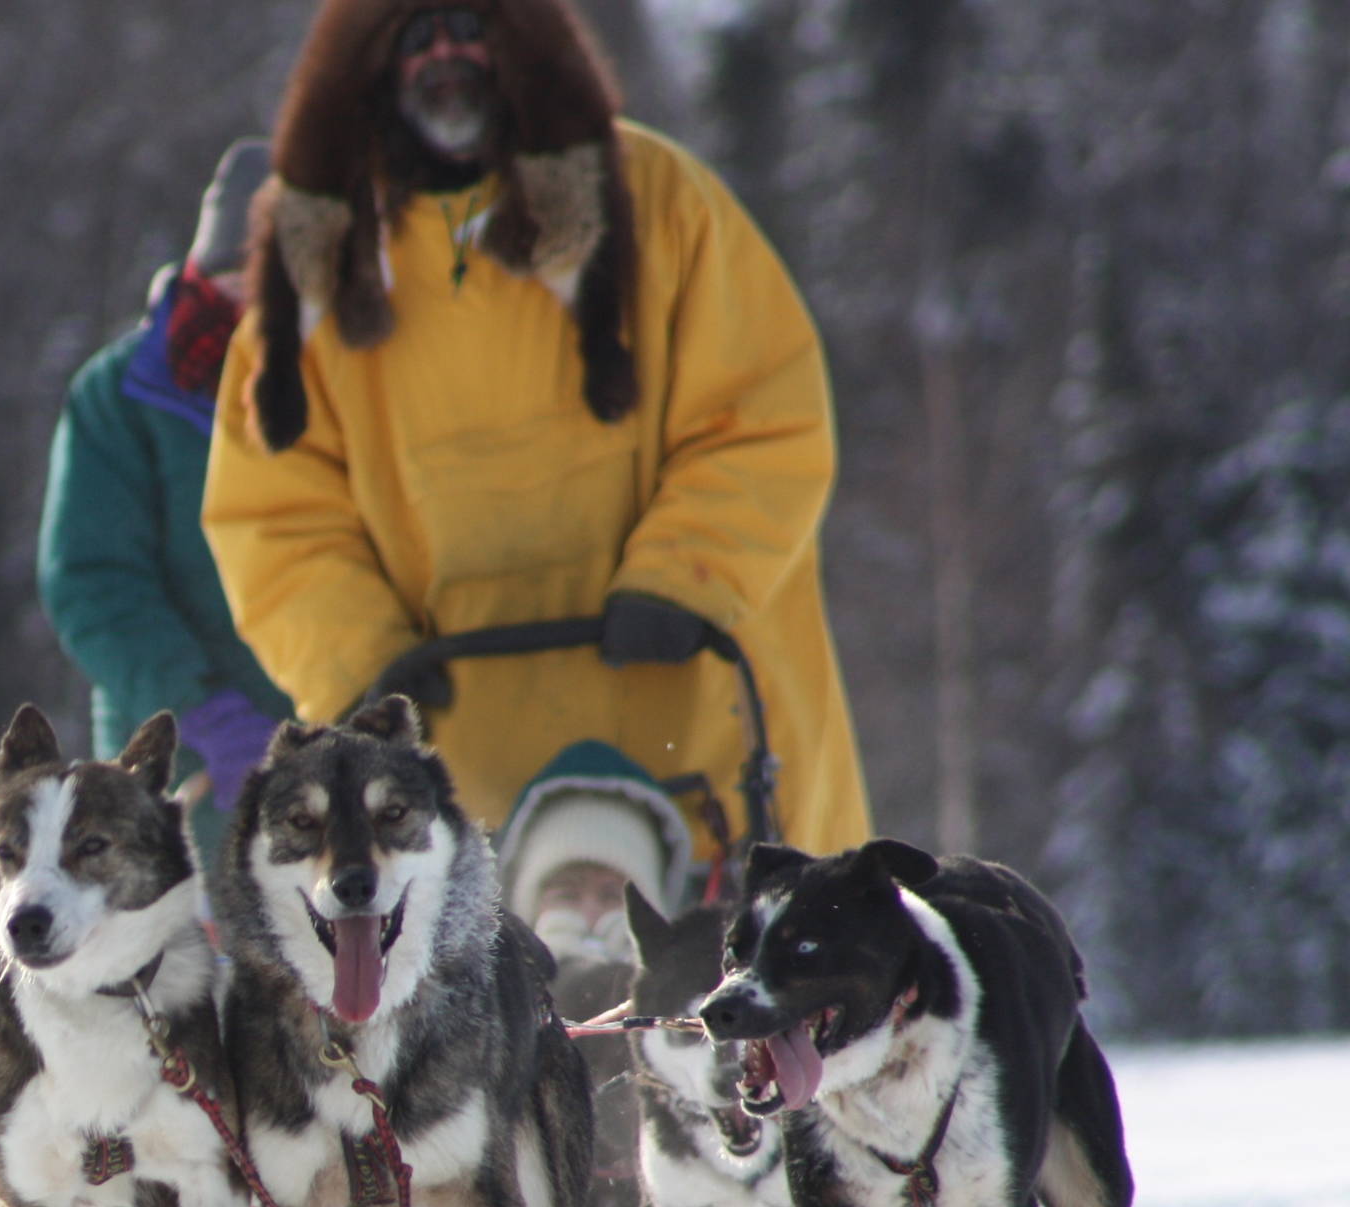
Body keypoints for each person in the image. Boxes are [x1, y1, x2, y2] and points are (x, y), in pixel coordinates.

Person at [201, 0, 872, 873]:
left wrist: (683, 580)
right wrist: (364, 656)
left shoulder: (660, 204)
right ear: (364, 69)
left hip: (697, 733)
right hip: (462, 777)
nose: (445, 53)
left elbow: (762, 417)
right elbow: (275, 514)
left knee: (742, 985)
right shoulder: (321, 280)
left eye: (469, 27)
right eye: (414, 35)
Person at [38, 139, 295, 865]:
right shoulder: (119, 396)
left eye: (268, 275)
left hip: (330, 748)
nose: (248, 294)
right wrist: (197, 708)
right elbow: (92, 581)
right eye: (230, 272)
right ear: (200, 270)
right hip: (180, 765)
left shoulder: (348, 380)